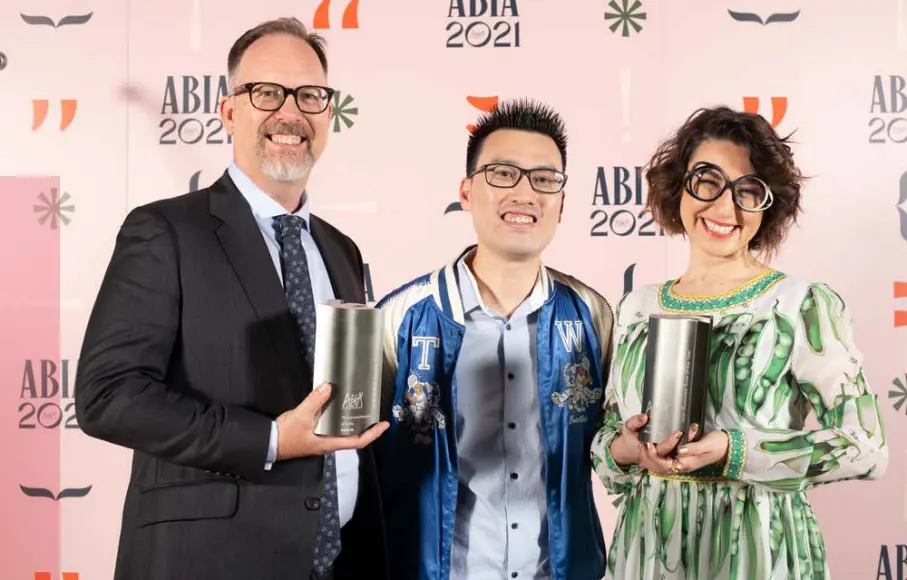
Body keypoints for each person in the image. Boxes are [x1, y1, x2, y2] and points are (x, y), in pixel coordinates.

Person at [74, 17, 389, 580]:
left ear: (328, 114)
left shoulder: (340, 249)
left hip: (336, 559)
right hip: (208, 561)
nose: (290, 112)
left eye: (310, 95)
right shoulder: (165, 231)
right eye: (267, 93)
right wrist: (270, 439)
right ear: (228, 111)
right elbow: (107, 395)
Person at [590, 105, 888, 580]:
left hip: (761, 556)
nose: (725, 207)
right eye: (707, 180)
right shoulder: (635, 308)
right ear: (678, 184)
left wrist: (735, 450)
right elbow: (605, 444)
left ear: (767, 206)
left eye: (749, 190)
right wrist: (629, 448)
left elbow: (865, 447)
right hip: (647, 552)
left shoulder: (801, 304)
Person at [373, 98, 612, 580]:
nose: (526, 194)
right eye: (504, 174)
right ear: (466, 191)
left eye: (545, 179)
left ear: (562, 202)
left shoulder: (591, 315)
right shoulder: (400, 317)